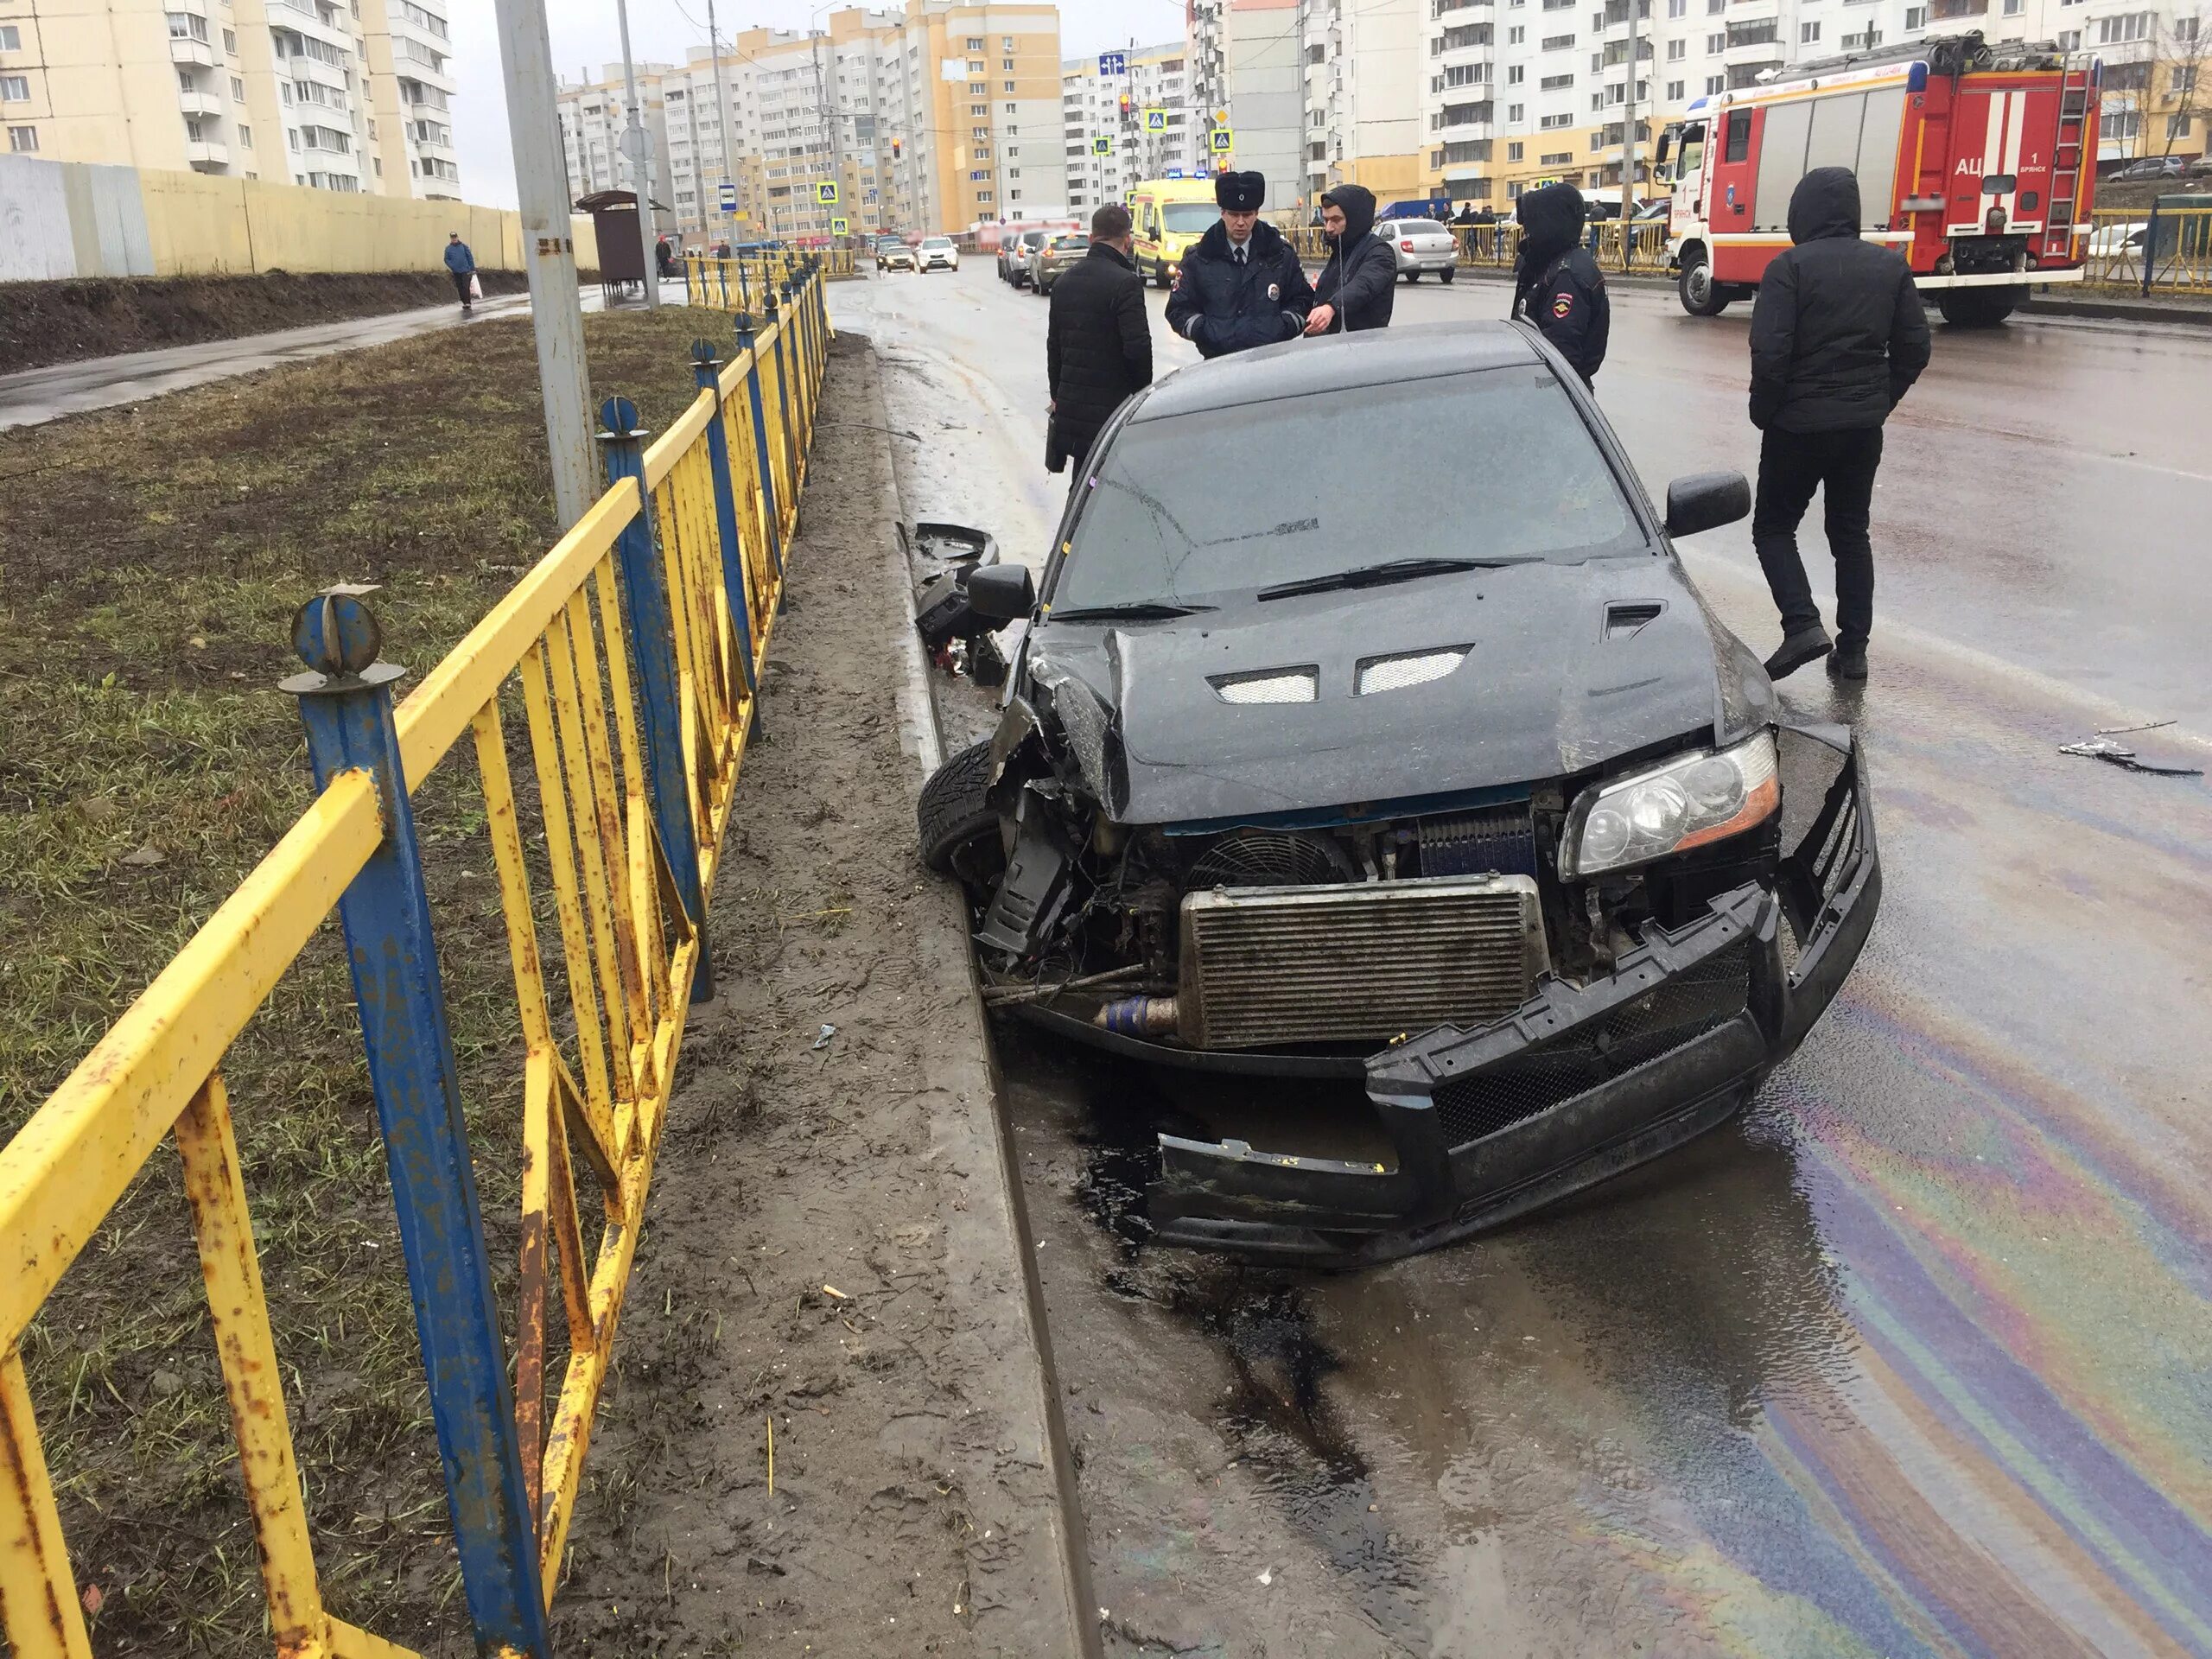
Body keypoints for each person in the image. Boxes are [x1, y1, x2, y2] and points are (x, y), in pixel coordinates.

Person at [1747, 166, 1931, 682]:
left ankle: (1802, 623)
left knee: (1773, 528)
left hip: (1796, 428)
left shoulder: (1789, 268)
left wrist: (1766, 412)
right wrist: (1878, 400)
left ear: (1801, 212)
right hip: (1860, 430)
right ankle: (1852, 653)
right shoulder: (1889, 268)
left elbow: (1770, 351)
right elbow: (1915, 349)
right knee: (1850, 534)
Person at [1046, 204, 1154, 495]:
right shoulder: (1126, 284)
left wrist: (1057, 395)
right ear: (1127, 240)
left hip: (1075, 410)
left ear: (1092, 239)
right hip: (1113, 409)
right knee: (1115, 487)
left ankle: (1073, 538)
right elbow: (1138, 349)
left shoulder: (1064, 283)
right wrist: (1141, 395)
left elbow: (1054, 346)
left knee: (1083, 484)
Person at [1165, 171, 1313, 359]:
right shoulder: (1199, 258)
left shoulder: (1280, 255)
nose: (1241, 222)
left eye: (1247, 214)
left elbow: (1303, 300)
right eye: (1234, 215)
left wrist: (1282, 327)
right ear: (1223, 213)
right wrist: (1205, 331)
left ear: (1257, 213)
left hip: (1271, 361)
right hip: (1218, 362)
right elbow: (1178, 310)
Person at [1511, 181, 1608, 387]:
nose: (1527, 234)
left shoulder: (1568, 277)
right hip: (1552, 390)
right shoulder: (1553, 262)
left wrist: (1538, 392)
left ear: (1549, 224)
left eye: (1531, 227)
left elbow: (1561, 355)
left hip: (1555, 394)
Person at [1306, 183, 1395, 336]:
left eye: (1336, 220)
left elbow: (1363, 285)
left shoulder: (1380, 253)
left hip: (1362, 349)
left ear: (1355, 219)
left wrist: (1331, 308)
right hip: (1330, 348)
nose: (1328, 228)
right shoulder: (1341, 250)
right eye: (1326, 220)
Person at [442, 232, 475, 313]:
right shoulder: (448, 249)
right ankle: (464, 302)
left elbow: (469, 257)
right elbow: (446, 259)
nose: (454, 239)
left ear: (457, 237)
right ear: (451, 238)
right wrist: (452, 266)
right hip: (456, 272)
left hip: (465, 270)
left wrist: (472, 268)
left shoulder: (464, 247)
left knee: (465, 286)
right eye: (452, 238)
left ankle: (468, 302)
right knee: (460, 287)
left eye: (455, 237)